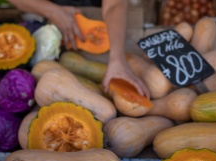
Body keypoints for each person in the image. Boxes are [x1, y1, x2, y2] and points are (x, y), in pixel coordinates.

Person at [8, 0, 150, 98]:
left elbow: (115, 4)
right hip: (49, 22)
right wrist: (53, 11)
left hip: (106, 23)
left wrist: (118, 59)